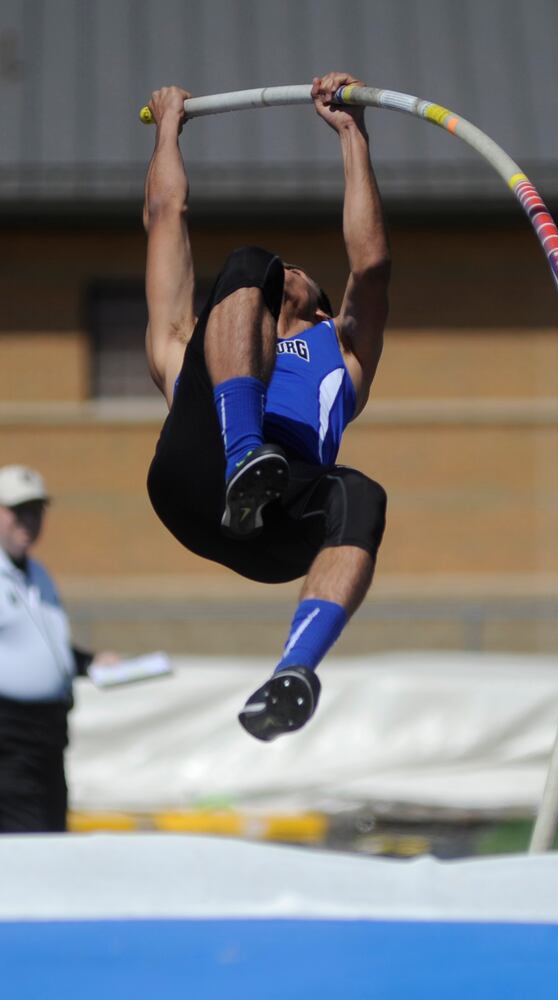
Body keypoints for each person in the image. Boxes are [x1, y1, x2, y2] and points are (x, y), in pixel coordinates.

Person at [143, 72, 390, 742]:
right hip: (195, 480)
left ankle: (295, 671)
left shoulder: (343, 357)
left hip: (275, 527)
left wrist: (352, 135)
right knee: (250, 260)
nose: (295, 272)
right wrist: (169, 129)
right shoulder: (191, 340)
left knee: (361, 496)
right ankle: (242, 451)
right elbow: (167, 216)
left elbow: (369, 267)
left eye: (304, 275)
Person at [0, 465, 116, 833]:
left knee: (50, 837)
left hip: (47, 737)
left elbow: (40, 646)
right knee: (26, 847)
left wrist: (88, 661)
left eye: (36, 512)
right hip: (8, 738)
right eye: (18, 511)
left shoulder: (37, 574)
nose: (29, 522)